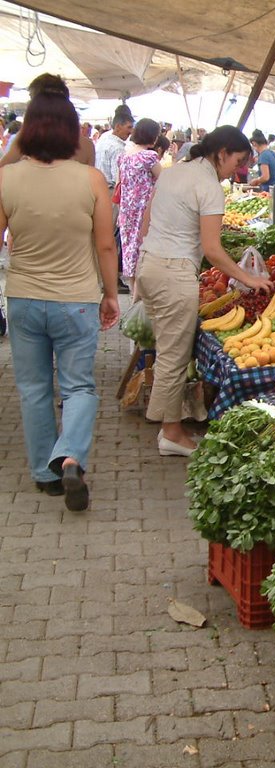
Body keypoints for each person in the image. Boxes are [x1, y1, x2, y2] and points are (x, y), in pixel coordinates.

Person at [0, 74, 120, 512]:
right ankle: (71, 457)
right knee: (79, 388)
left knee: (33, 388)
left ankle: (43, 475)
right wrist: (111, 294)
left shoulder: (7, 178)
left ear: (27, 129)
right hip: (77, 300)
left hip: (24, 299)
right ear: (73, 132)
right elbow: (106, 245)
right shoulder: (90, 180)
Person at [135, 126, 274, 457]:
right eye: (238, 161)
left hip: (150, 266)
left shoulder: (173, 173)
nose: (237, 170)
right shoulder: (209, 187)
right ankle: (171, 433)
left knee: (167, 350)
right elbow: (212, 249)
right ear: (222, 152)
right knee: (173, 357)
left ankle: (172, 429)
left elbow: (145, 223)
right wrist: (249, 278)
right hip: (175, 272)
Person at [0, 76, 95, 168]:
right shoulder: (87, 145)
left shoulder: (25, 140)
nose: (29, 103)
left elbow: (3, 166)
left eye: (32, 98)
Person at [116, 118, 163, 293]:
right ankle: (139, 296)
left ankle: (133, 289)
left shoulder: (124, 156)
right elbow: (164, 179)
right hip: (144, 210)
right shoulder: (148, 157)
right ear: (152, 136)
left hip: (127, 210)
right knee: (143, 250)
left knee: (130, 249)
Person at [94, 105, 133, 188]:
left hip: (98, 187)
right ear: (118, 126)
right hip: (110, 191)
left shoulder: (104, 138)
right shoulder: (118, 148)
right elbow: (117, 180)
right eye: (129, 127)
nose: (131, 131)